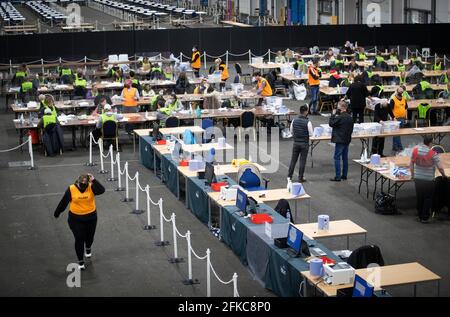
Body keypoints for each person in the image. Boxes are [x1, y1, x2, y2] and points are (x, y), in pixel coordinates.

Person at [54, 174, 106, 270]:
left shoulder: (91, 186)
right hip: (76, 219)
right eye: (81, 184)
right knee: (79, 238)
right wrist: (57, 213)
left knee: (90, 238)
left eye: (85, 184)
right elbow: (63, 202)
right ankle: (80, 261)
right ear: (77, 182)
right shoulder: (71, 189)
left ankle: (88, 247)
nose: (83, 187)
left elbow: (102, 190)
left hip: (91, 218)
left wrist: (94, 180)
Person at [410, 135, 447, 223]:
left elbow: (411, 164)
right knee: (427, 198)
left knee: (420, 197)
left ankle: (419, 215)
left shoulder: (415, 150)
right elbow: (440, 167)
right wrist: (443, 175)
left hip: (418, 178)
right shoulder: (432, 154)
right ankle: (425, 217)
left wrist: (412, 175)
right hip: (428, 180)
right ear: (430, 143)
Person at [288, 104, 313, 183]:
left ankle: (289, 176)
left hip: (296, 143)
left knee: (293, 160)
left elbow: (291, 131)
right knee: (302, 161)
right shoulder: (308, 122)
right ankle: (300, 177)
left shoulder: (294, 121)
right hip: (304, 144)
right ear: (306, 112)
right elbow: (311, 134)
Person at [329, 100, 354, 182]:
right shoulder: (350, 117)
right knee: (345, 158)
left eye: (339, 107)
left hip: (340, 140)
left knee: (337, 158)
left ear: (342, 107)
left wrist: (333, 114)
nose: (338, 108)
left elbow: (331, 123)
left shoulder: (340, 117)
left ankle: (338, 176)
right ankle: (344, 175)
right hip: (347, 140)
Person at [390, 87, 408, 152]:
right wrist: (393, 118)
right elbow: (390, 110)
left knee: (398, 133)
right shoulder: (393, 99)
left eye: (402, 92)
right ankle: (399, 147)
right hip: (396, 119)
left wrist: (406, 118)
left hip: (402, 118)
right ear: (397, 92)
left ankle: (395, 146)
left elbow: (406, 109)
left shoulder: (404, 99)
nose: (401, 93)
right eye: (400, 92)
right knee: (396, 133)